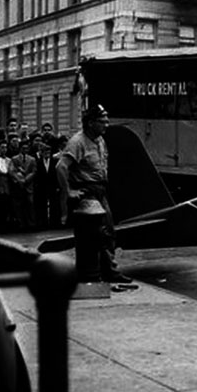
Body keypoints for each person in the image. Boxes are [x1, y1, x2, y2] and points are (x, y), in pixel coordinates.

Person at [56, 104, 132, 283]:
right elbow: (61, 167)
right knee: (97, 234)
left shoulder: (99, 140)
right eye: (102, 121)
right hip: (87, 192)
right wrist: (69, 192)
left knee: (109, 233)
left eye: (107, 121)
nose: (106, 124)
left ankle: (106, 270)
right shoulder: (78, 142)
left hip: (100, 190)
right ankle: (100, 273)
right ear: (90, 123)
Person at [9, 138, 37, 231]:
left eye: (27, 148)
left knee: (30, 204)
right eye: (24, 148)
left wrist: (26, 179)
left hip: (28, 185)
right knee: (19, 205)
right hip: (18, 186)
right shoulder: (14, 159)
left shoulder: (32, 159)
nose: (25, 150)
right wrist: (20, 180)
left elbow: (34, 171)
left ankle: (31, 224)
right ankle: (21, 224)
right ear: (20, 149)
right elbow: (12, 171)